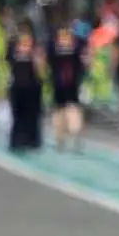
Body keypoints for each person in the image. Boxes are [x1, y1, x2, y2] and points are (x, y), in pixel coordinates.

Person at [46, 17, 87, 151]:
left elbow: (47, 61)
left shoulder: (54, 44)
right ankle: (68, 135)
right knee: (69, 107)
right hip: (68, 80)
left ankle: (62, 138)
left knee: (63, 109)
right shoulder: (77, 43)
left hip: (63, 81)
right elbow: (85, 59)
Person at [6, 18, 43, 151]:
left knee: (32, 115)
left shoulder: (35, 46)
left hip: (32, 86)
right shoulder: (12, 44)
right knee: (18, 116)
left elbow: (40, 66)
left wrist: (35, 57)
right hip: (18, 85)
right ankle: (17, 140)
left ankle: (31, 141)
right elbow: (9, 61)